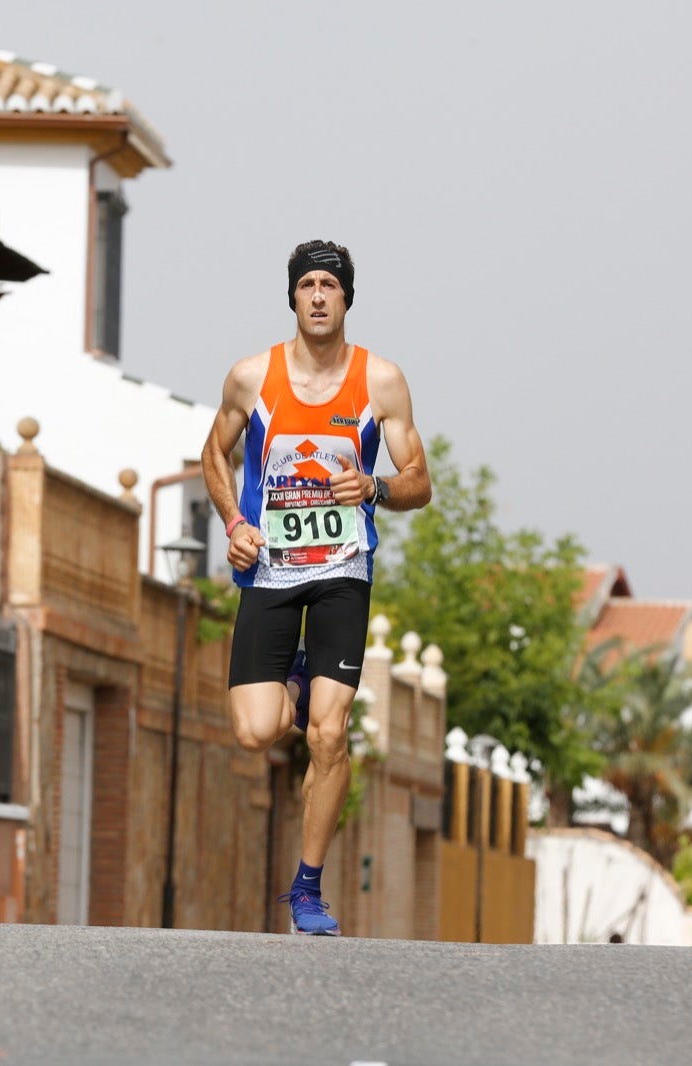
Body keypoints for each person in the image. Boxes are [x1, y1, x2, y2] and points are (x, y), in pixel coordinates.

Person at [200, 239, 431, 935]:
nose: (320, 295)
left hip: (342, 570)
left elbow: (420, 483)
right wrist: (234, 521)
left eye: (331, 284)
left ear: (347, 299)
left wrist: (378, 485)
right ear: (294, 298)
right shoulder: (250, 376)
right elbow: (214, 452)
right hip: (269, 570)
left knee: (329, 736)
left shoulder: (380, 381)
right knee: (254, 731)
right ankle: (295, 683)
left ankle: (307, 889)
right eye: (309, 285)